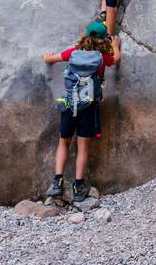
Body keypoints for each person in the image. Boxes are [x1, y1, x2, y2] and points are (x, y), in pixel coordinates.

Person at [43, 21, 119, 202]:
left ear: (86, 35)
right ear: (103, 40)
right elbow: (116, 59)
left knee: (64, 143)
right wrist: (115, 46)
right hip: (88, 107)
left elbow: (50, 59)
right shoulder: (101, 58)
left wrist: (47, 57)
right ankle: (78, 187)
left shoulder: (73, 53)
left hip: (69, 105)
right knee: (82, 147)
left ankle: (57, 182)